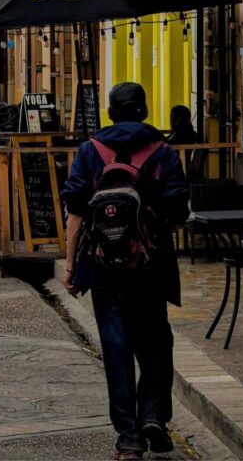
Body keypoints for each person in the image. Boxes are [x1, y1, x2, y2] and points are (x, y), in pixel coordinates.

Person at [61, 82, 189, 461]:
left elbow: (76, 211)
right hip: (151, 268)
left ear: (110, 112)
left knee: (116, 350)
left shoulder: (90, 151)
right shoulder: (163, 152)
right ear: (145, 110)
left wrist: (70, 265)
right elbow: (178, 212)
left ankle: (128, 439)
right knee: (155, 342)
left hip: (104, 269)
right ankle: (153, 416)